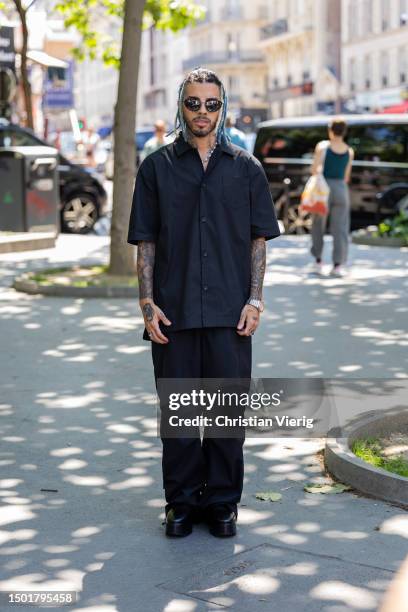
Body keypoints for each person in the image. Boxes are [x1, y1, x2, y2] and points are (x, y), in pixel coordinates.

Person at [128, 67, 280, 538]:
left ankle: (220, 502)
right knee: (178, 414)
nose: (202, 112)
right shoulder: (156, 167)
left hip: (230, 312)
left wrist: (255, 298)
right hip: (172, 310)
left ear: (223, 106)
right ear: (181, 105)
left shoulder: (246, 168)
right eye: (193, 103)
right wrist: (147, 301)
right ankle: (180, 503)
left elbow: (259, 239)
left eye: (211, 104)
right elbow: (146, 242)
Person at [309, 118, 354, 277]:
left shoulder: (322, 146)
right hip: (341, 189)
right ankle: (338, 265)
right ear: (344, 131)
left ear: (330, 130)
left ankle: (318, 261)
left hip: (324, 189)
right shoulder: (349, 150)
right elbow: (346, 176)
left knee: (318, 225)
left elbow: (314, 170)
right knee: (340, 228)